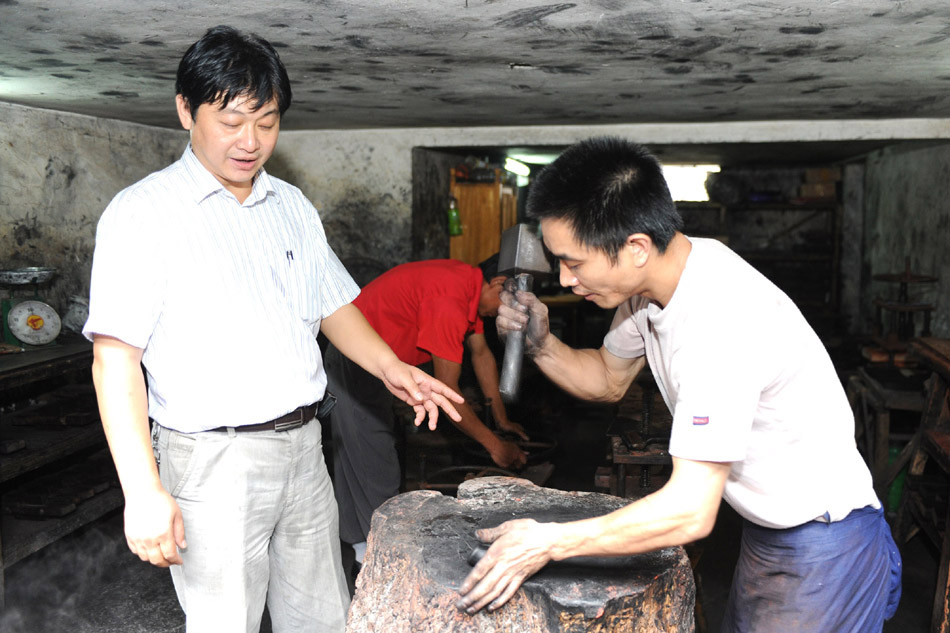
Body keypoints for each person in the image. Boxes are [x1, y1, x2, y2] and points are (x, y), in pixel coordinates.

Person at [83, 25, 463, 633]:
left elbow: (334, 306)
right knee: (224, 622)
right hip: (213, 458)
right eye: (230, 121)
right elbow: (114, 360)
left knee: (321, 617)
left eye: (267, 121)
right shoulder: (144, 213)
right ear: (185, 110)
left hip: (305, 448)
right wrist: (143, 491)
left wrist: (393, 368)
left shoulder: (291, 205)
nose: (250, 141)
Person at [456, 137, 902, 632]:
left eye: (575, 262)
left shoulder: (720, 321)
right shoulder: (657, 284)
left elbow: (690, 511)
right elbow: (606, 378)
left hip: (824, 539)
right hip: (767, 527)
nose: (563, 279)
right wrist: (540, 344)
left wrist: (547, 542)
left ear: (636, 247)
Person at [325, 256, 529, 569]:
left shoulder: (467, 284)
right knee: (374, 458)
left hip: (374, 364)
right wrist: (496, 447)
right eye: (508, 309)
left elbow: (481, 353)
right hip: (354, 359)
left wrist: (501, 419)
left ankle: (358, 550)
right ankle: (382, 560)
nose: (503, 318)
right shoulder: (450, 299)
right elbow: (448, 391)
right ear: (498, 284)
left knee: (357, 455)